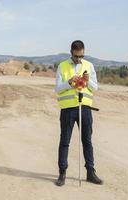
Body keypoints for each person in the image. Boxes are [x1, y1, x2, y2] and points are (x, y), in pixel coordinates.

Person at [54, 40, 103, 186]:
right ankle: (62, 173)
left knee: (87, 141)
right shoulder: (62, 66)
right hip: (68, 110)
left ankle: (90, 172)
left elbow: (96, 88)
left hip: (85, 109)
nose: (78, 59)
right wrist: (68, 82)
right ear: (71, 53)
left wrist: (87, 82)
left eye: (81, 56)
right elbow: (57, 89)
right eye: (76, 56)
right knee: (64, 142)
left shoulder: (89, 65)